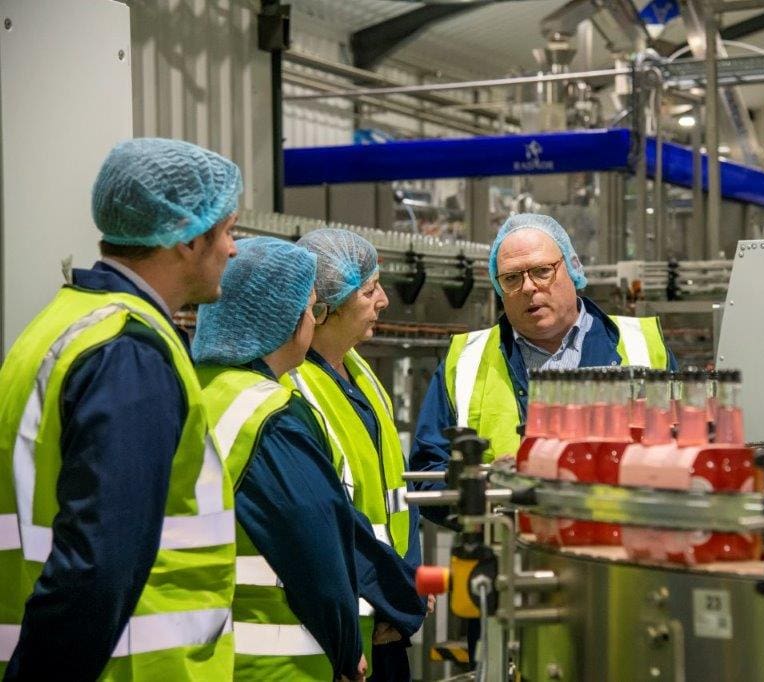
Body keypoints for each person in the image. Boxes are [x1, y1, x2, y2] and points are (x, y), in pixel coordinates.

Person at [0, 138, 240, 679]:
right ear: (187, 237)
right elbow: (98, 564)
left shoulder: (62, 322)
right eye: (228, 231)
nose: (233, 249)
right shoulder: (130, 352)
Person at [193, 236, 421, 681]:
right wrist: (347, 642)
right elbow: (316, 540)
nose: (312, 322)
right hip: (282, 658)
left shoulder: (196, 386)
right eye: (310, 309)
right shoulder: (271, 411)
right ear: (286, 318)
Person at [411, 212, 677, 517]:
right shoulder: (466, 359)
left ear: (572, 268)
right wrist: (488, 489)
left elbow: (688, 456)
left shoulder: (643, 346)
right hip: (506, 541)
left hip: (621, 537)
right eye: (512, 278)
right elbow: (427, 475)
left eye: (542, 271)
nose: (528, 287)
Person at [291, 228, 428, 681]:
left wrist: (410, 582)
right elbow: (329, 520)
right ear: (323, 308)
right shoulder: (296, 388)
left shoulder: (361, 371)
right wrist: (398, 596)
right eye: (369, 291)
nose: (384, 300)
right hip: (344, 632)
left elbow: (396, 497)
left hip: (390, 619)